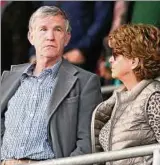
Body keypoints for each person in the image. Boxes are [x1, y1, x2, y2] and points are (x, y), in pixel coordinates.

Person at [1, 6, 103, 165]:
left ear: (67, 37)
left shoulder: (85, 82)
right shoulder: (9, 77)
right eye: (43, 29)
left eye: (57, 30)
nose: (50, 36)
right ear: (31, 36)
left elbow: (87, 145)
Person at [91, 24, 160, 165]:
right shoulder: (118, 98)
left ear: (134, 61)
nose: (110, 60)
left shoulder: (154, 97)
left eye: (116, 55)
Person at [28, 1, 114, 72]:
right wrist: (34, 51)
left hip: (80, 58)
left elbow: (102, 20)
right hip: (47, 57)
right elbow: (38, 20)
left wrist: (81, 50)